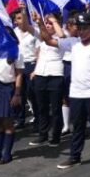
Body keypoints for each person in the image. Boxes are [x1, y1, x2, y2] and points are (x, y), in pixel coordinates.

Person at [37, 12, 90, 172]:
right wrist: (40, 23)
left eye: (85, 28)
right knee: (77, 127)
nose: (82, 31)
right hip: (77, 93)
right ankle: (75, 156)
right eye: (79, 28)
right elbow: (49, 40)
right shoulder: (73, 44)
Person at [29, 11, 66, 147]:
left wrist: (53, 21)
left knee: (55, 108)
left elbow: (60, 36)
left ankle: (55, 136)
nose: (48, 25)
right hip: (41, 75)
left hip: (55, 75)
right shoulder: (42, 37)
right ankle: (42, 134)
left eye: (51, 23)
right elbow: (27, 27)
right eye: (47, 23)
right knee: (41, 107)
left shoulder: (63, 37)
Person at [0, 43, 23, 164]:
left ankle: (6, 153)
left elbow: (19, 74)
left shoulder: (16, 51)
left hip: (8, 88)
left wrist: (17, 93)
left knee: (7, 122)